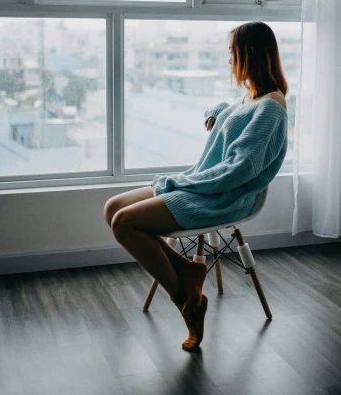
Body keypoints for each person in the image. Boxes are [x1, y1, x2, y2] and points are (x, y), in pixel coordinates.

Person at [103, 21, 289, 351]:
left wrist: (180, 183)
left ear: (249, 55)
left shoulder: (271, 108)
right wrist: (215, 112)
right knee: (113, 207)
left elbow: (239, 170)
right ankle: (188, 272)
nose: (229, 60)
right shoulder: (251, 96)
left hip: (223, 197)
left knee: (124, 222)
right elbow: (231, 111)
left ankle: (185, 301)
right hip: (205, 184)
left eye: (233, 53)